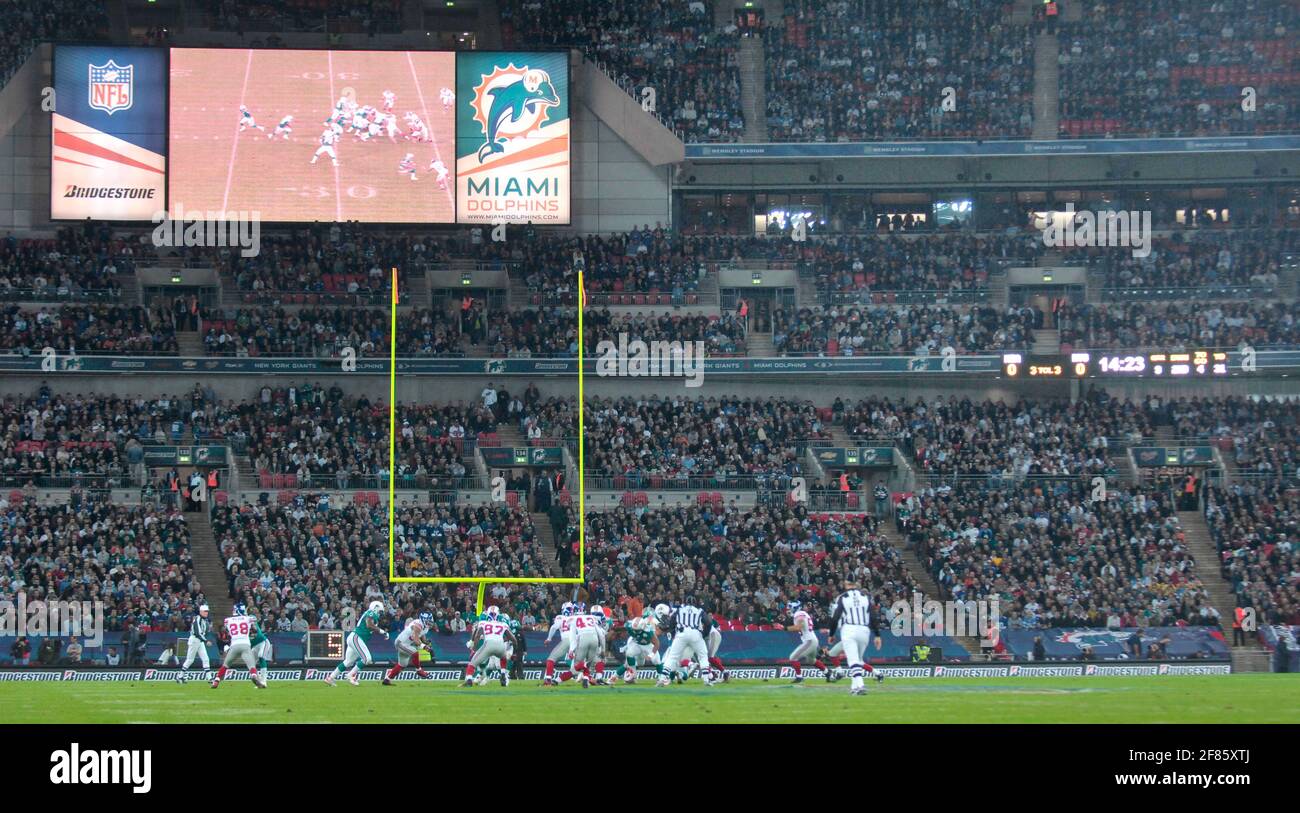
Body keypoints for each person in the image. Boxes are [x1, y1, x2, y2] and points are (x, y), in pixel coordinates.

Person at [830, 580, 881, 696]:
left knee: (853, 661)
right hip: (864, 630)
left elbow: (835, 617)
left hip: (849, 629)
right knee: (858, 660)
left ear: (846, 584)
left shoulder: (842, 597)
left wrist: (831, 634)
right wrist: (877, 635)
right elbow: (873, 616)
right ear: (856, 584)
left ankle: (861, 685)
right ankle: (855, 687)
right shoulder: (865, 597)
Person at [177, 604, 213, 682]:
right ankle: (180, 676)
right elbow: (198, 632)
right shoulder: (197, 619)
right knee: (190, 659)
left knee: (206, 659)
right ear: (201, 612)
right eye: (205, 611)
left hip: (200, 641)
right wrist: (206, 640)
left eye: (207, 611)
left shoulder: (204, 620)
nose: (206, 613)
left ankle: (209, 678)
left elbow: (203, 632)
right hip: (195, 640)